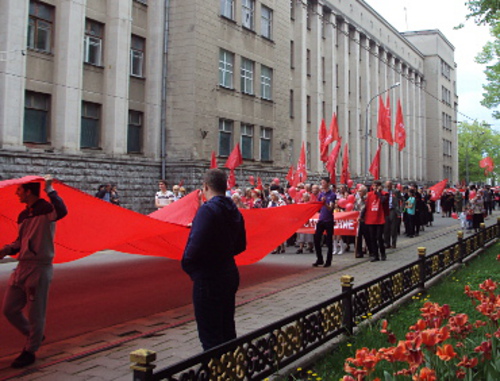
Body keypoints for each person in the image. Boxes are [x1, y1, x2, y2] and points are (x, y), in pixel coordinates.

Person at [0, 176, 68, 368]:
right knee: (9, 309)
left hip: (39, 267)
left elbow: (62, 210)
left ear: (28, 191)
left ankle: (30, 350)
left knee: (35, 312)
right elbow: (20, 242)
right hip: (22, 266)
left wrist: (49, 189)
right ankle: (34, 335)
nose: (16, 193)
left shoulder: (47, 209)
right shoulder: (23, 215)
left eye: (20, 190)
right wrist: (5, 249)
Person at [181, 169, 246, 351]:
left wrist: (192, 269)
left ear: (206, 187)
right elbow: (241, 245)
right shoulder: (234, 210)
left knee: (210, 335)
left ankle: (215, 373)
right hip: (228, 271)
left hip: (209, 276)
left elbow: (193, 250)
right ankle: (231, 368)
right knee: (226, 327)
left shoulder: (207, 210)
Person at [362, 180, 388, 262]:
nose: (375, 187)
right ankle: (375, 255)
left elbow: (383, 200)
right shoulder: (369, 194)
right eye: (374, 186)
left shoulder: (384, 194)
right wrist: (361, 215)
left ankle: (383, 253)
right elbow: (366, 206)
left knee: (379, 237)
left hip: (379, 218)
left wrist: (378, 193)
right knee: (372, 238)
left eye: (376, 186)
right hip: (371, 218)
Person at [313, 177, 336, 268]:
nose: (322, 184)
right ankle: (320, 259)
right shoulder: (321, 194)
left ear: (328, 183)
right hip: (321, 219)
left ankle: (328, 261)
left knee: (329, 241)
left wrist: (324, 203)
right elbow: (318, 206)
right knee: (316, 239)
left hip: (329, 220)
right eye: (321, 182)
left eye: (323, 182)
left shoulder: (332, 195)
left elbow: (330, 208)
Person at [383, 181, 402, 249]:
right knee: (386, 228)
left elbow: (402, 199)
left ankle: (394, 243)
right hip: (386, 210)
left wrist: (401, 209)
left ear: (392, 185)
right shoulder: (384, 192)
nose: (388, 187)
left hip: (393, 210)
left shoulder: (396, 191)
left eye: (389, 185)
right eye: (387, 185)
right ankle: (386, 243)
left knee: (393, 228)